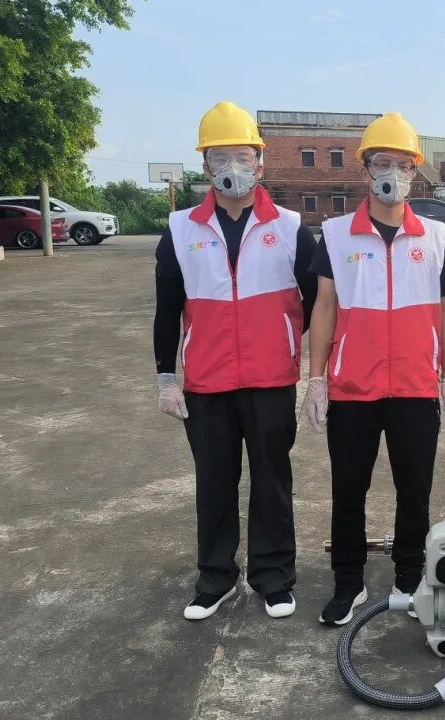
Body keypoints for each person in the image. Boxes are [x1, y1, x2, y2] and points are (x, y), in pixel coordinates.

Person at [154, 101, 318, 621]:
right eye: (220, 157)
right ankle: (215, 578)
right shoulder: (180, 229)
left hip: (270, 380)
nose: (232, 167)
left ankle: (274, 578)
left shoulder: (290, 227)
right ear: (205, 164)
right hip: (206, 382)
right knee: (214, 483)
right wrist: (166, 377)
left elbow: (315, 301)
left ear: (260, 162)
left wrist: (281, 339)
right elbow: (167, 309)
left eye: (242, 156)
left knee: (272, 481)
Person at [302, 112, 445, 626]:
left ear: (415, 171)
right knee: (349, 490)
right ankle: (347, 582)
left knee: (415, 491)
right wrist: (316, 378)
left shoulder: (435, 236)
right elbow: (324, 306)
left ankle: (410, 576)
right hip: (354, 388)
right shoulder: (336, 235)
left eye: (402, 163)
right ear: (365, 169)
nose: (392, 172)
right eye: (381, 162)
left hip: (415, 386)